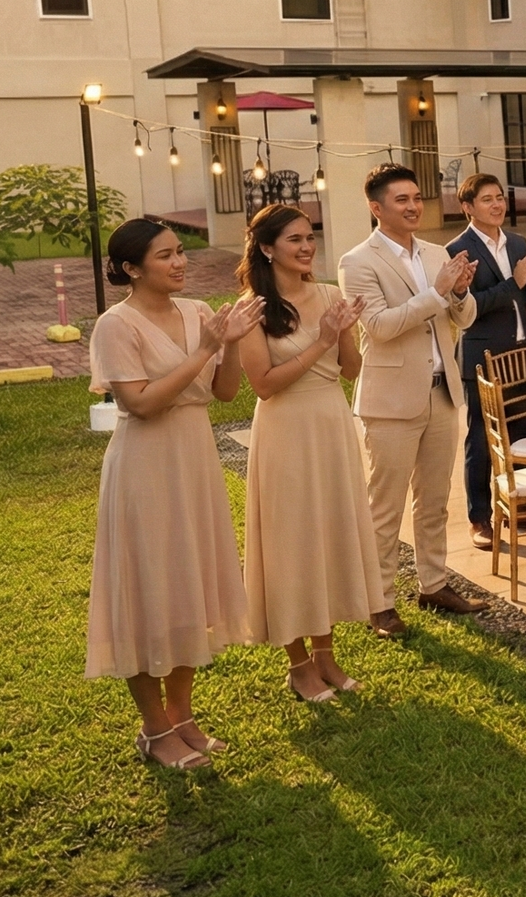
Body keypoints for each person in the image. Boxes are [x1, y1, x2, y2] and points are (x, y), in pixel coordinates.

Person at [85, 218, 259, 770]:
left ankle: (182, 715)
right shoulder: (116, 325)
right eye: (165, 256)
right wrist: (202, 350)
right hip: (144, 469)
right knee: (145, 590)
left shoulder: (199, 313)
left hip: (194, 463)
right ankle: (154, 727)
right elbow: (139, 404)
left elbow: (226, 392)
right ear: (132, 268)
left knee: (188, 586)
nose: (180, 262)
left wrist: (227, 346)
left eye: (180, 252)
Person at [236, 205, 387, 702]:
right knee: (292, 544)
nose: (306, 247)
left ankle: (326, 655)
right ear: (266, 248)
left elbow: (349, 370)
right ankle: (297, 663)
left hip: (331, 423)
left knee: (329, 536)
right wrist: (319, 339)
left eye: (309, 237)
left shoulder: (329, 293)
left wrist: (343, 332)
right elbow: (263, 385)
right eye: (294, 240)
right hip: (286, 430)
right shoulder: (253, 308)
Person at [336, 165, 489, 636]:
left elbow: (460, 319)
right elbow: (379, 327)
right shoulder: (356, 261)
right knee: (385, 507)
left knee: (435, 499)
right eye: (401, 200)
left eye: (417, 197)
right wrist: (439, 290)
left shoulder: (436, 251)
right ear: (377, 208)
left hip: (441, 391)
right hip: (390, 401)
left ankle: (434, 583)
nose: (413, 206)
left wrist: (460, 292)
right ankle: (379, 602)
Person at [448, 173, 526, 553]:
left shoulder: (519, 242)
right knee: (482, 437)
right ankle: (480, 517)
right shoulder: (457, 250)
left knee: (521, 434)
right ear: (467, 207)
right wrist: (516, 279)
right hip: (482, 356)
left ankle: (520, 506)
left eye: (500, 198)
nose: (496, 205)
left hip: (520, 352)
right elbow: (469, 310)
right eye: (486, 199)